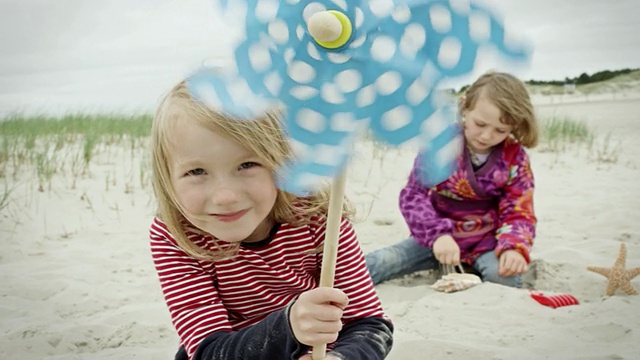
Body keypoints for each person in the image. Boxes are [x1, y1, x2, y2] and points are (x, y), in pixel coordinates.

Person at [148, 80, 393, 360]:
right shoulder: (174, 234)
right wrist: (288, 326)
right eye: (196, 172)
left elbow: (370, 325)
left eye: (247, 165)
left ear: (281, 161)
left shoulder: (318, 216)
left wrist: (339, 358)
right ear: (167, 180)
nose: (225, 196)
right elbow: (207, 351)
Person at [366, 71, 539, 289]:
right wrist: (438, 235)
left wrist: (514, 247)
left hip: (487, 241)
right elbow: (413, 195)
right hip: (436, 239)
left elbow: (519, 210)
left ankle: (469, 268)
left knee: (505, 277)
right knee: (381, 261)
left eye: (500, 130)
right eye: (480, 124)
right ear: (465, 108)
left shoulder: (515, 157)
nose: (486, 136)